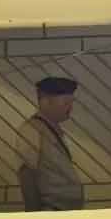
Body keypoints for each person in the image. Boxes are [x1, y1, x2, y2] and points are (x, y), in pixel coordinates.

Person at [17, 76, 84, 211]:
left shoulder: (49, 128)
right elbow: (27, 173)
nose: (70, 108)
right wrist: (34, 216)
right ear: (46, 101)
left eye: (71, 102)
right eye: (65, 102)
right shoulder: (32, 129)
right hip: (51, 211)